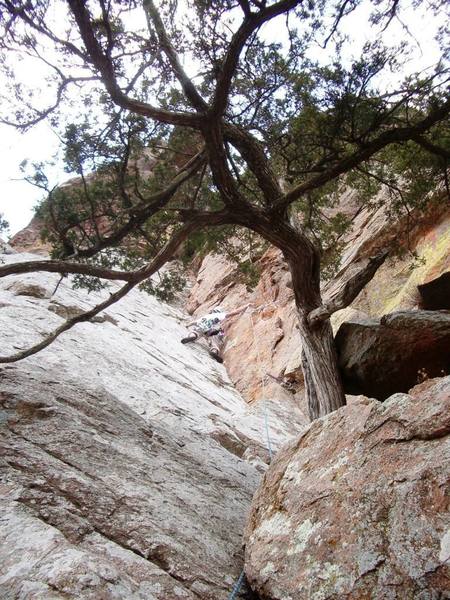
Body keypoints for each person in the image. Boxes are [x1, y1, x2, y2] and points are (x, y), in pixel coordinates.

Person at [181, 302, 253, 363]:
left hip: (202, 327)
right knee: (215, 340)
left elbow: (194, 322)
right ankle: (214, 351)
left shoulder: (206, 316)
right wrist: (246, 306)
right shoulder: (219, 315)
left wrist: (187, 325)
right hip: (212, 331)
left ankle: (191, 337)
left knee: (195, 332)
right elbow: (234, 312)